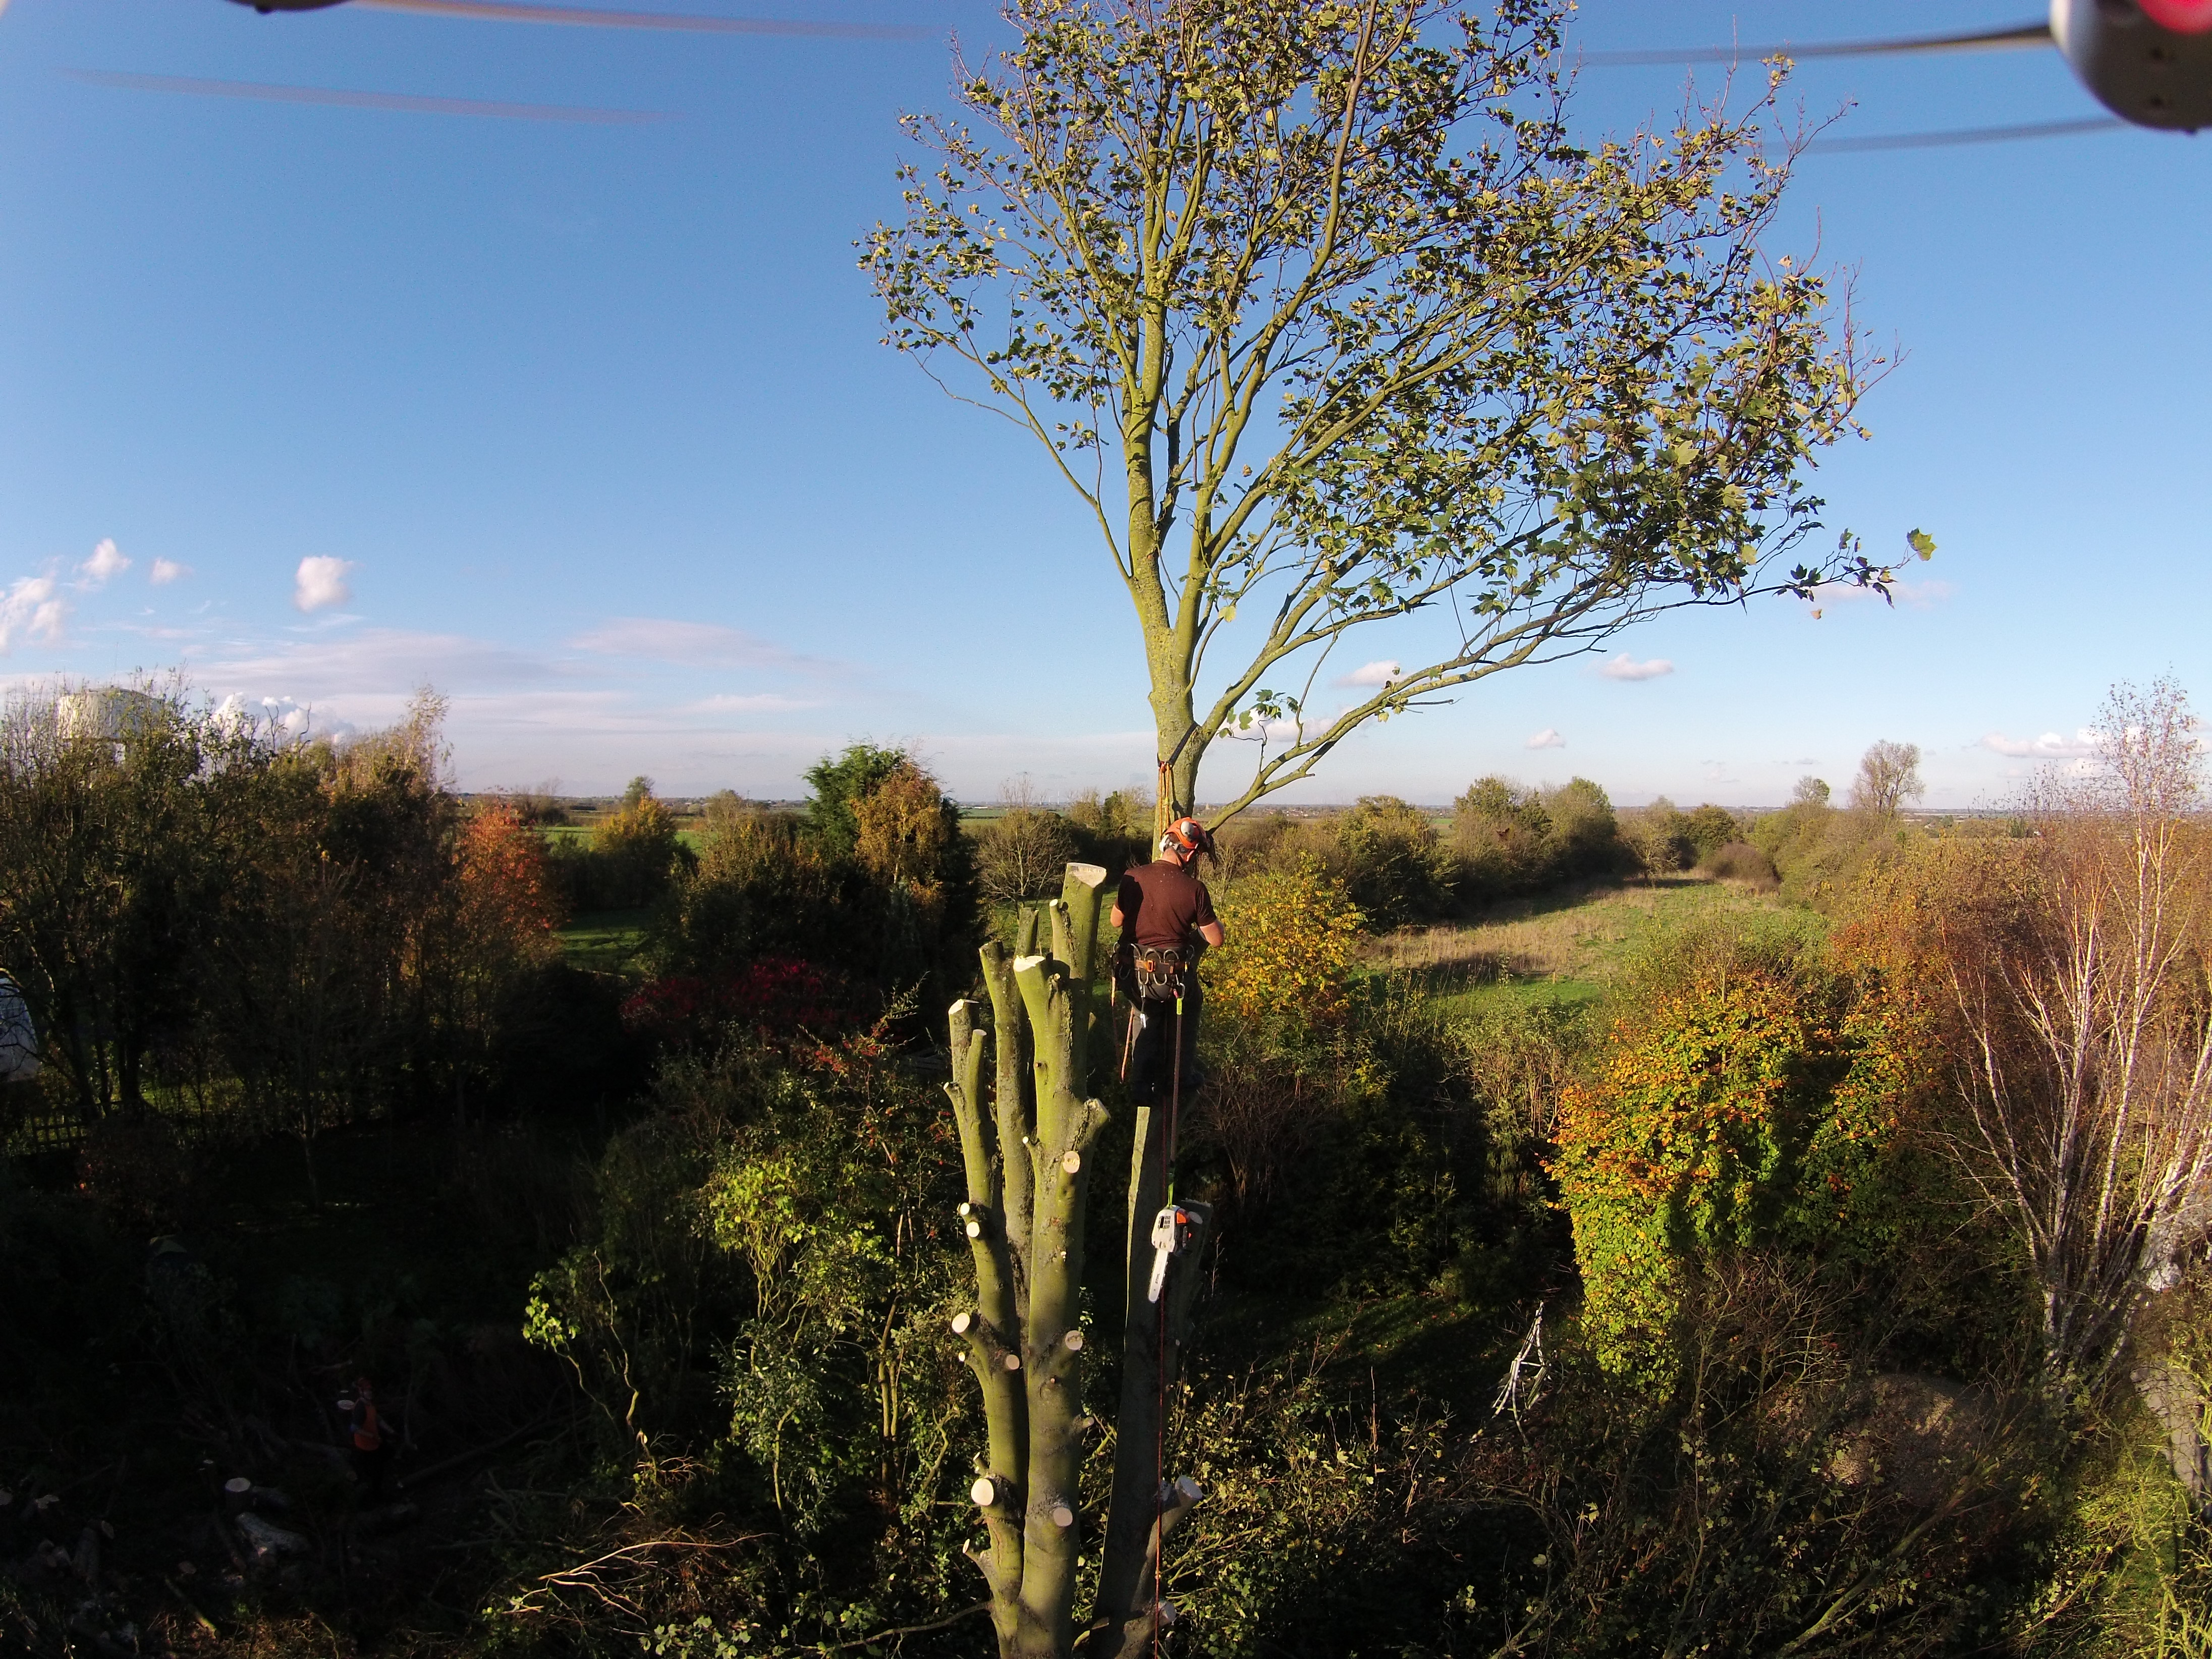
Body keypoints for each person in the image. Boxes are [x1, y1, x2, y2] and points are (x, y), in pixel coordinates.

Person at [1111, 817, 1226, 1106]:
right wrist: (1216, 925)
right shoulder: (1194, 889)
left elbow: (1115, 921)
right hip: (1173, 981)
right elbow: (1215, 939)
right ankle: (1178, 1076)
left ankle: (1140, 1084)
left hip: (1134, 977)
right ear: (1189, 853)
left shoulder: (1131, 877)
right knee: (1189, 1006)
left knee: (1145, 1013)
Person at [345, 1378, 388, 1502]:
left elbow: (377, 1419)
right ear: (361, 1392)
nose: (370, 1393)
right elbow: (354, 1428)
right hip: (364, 1447)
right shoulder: (360, 1408)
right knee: (373, 1473)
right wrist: (372, 1436)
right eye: (367, 1391)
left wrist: (391, 1432)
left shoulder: (370, 1405)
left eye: (370, 1390)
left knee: (379, 1469)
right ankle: (374, 1498)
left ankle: (378, 1494)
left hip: (374, 1444)